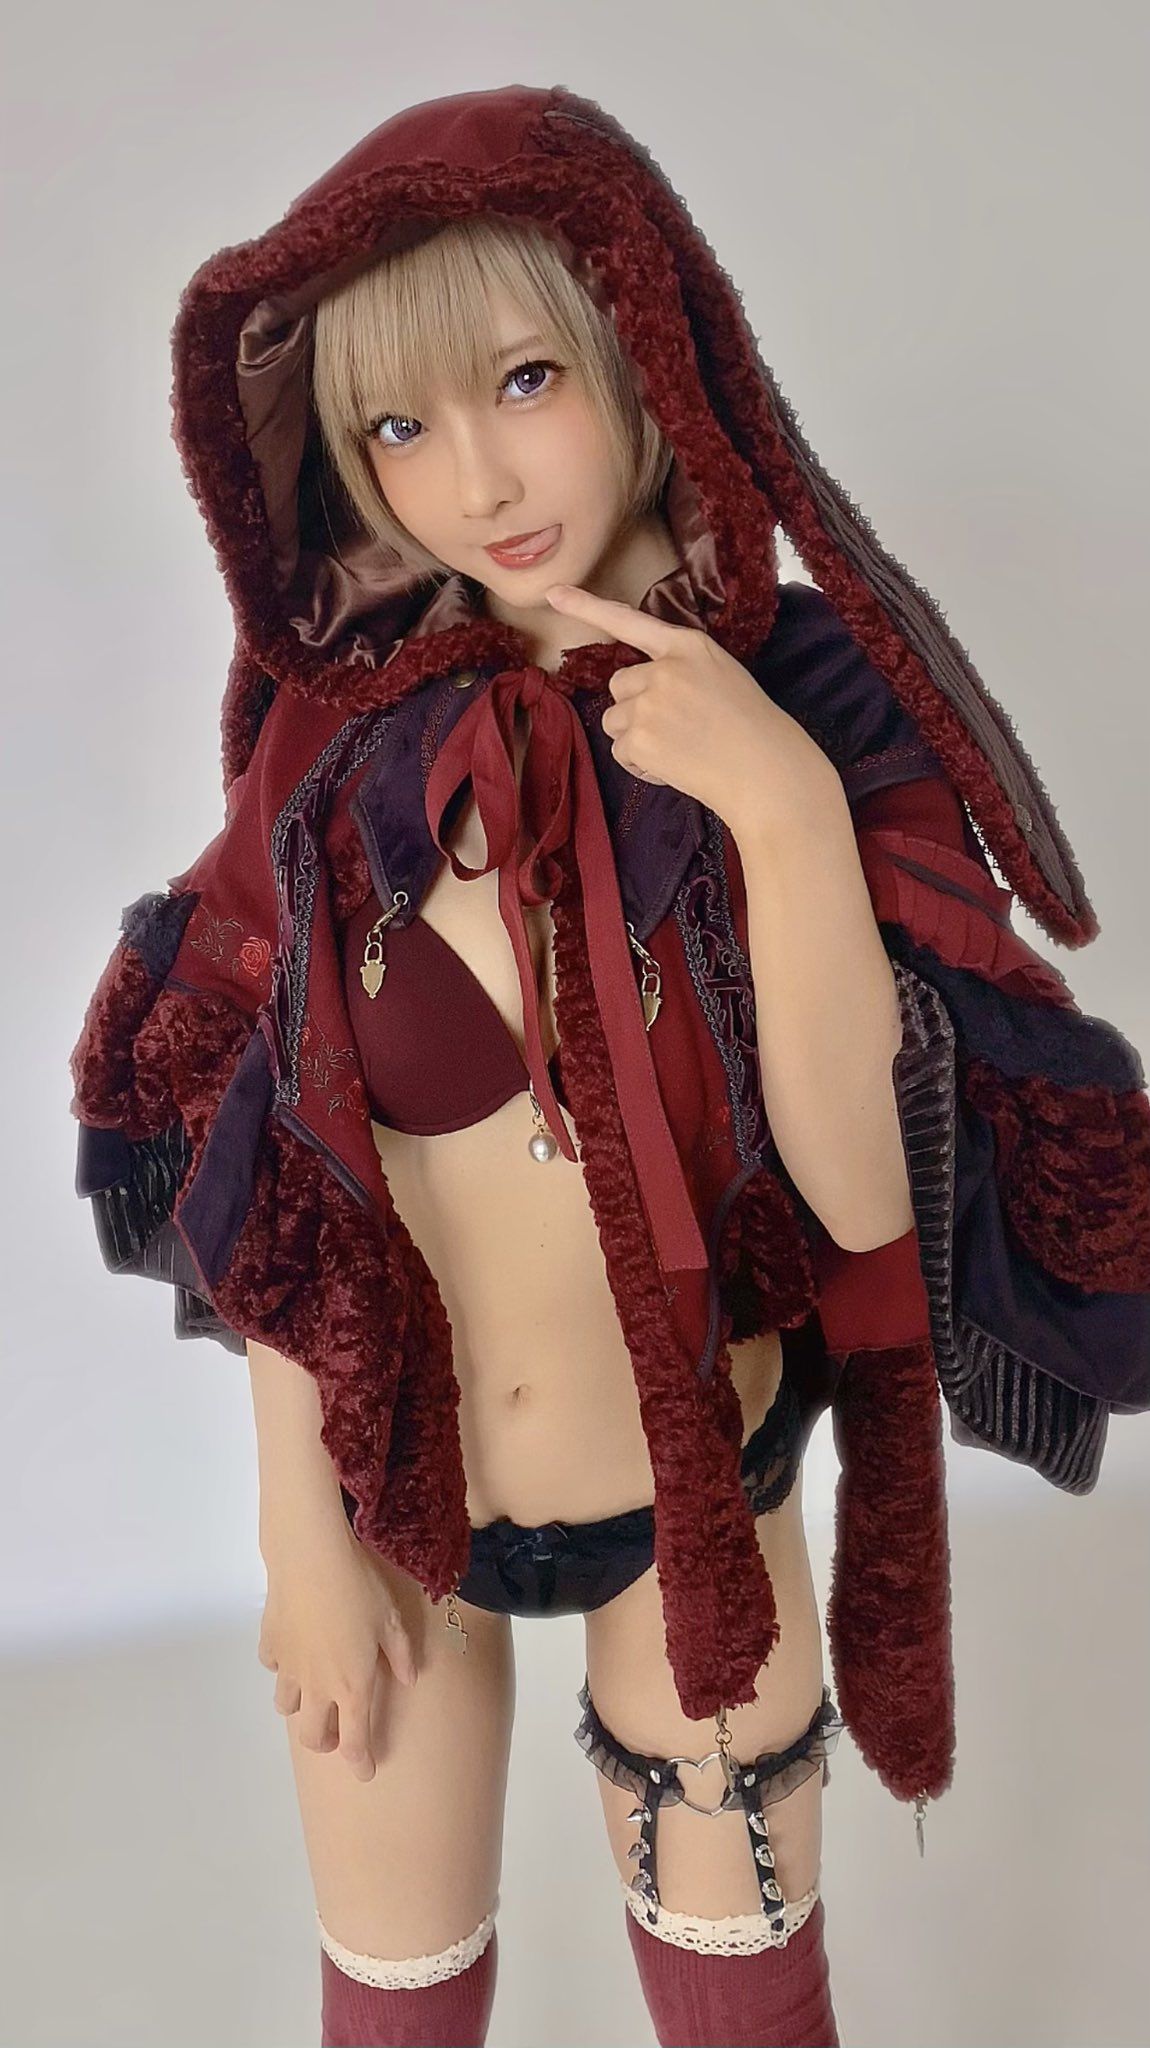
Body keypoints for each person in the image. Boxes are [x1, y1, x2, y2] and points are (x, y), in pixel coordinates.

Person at [68, 83, 1150, 2048]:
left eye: (523, 378)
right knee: (392, 2019)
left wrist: (783, 810)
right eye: (398, 429)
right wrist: (296, 1535)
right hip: (396, 1508)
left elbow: (861, 1194)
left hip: (703, 1518)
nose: (475, 476)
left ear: (642, 352)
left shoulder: (814, 704)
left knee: (751, 2024)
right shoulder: (338, 739)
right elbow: (288, 1184)